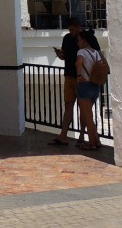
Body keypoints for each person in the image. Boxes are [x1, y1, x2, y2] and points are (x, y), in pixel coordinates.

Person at [49, 16, 82, 146]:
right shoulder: (67, 38)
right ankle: (63, 136)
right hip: (69, 76)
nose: (71, 32)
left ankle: (82, 136)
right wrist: (59, 54)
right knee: (68, 106)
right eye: (69, 29)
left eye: (73, 29)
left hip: (81, 78)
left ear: (79, 28)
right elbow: (65, 56)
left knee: (83, 108)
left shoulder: (84, 39)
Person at [75, 29, 103, 151]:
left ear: (84, 41)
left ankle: (92, 143)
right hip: (95, 86)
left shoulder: (81, 51)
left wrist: (78, 76)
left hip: (84, 85)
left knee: (87, 117)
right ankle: (96, 140)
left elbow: (79, 62)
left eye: (79, 40)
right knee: (89, 115)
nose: (77, 43)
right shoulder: (95, 52)